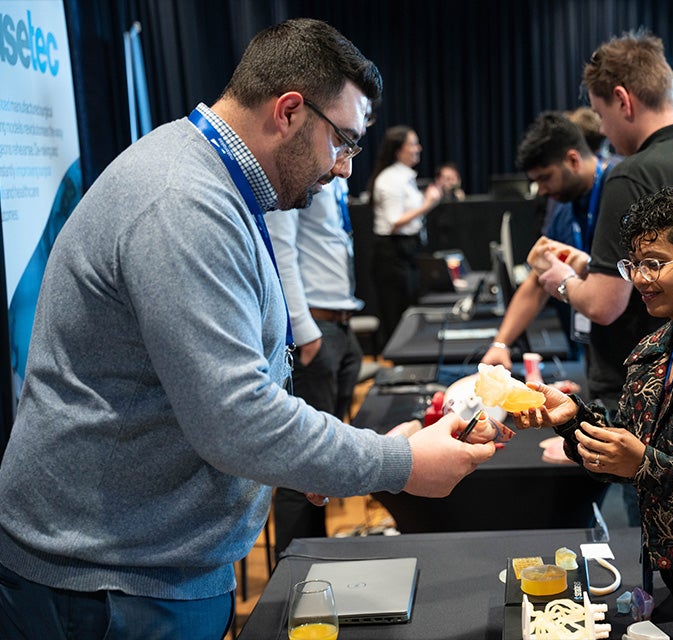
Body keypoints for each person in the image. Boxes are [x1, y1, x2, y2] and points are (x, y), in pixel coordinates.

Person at [0, 19, 495, 638]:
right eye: (342, 141)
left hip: (142, 561)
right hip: (111, 581)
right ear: (289, 111)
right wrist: (398, 462)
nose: (344, 170)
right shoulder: (184, 203)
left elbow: (219, 398)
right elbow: (236, 420)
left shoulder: (212, 182)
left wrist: (320, 460)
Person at [512, 185, 673, 640]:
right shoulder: (653, 351)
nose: (640, 279)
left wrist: (645, 465)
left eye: (654, 263)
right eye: (633, 264)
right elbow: (625, 456)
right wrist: (573, 419)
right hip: (668, 571)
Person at [533, 30, 673, 414]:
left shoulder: (629, 174)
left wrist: (559, 281)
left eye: (601, 115)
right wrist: (589, 264)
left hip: (650, 390)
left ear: (622, 100)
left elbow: (603, 305)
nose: (602, 130)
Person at [266, 175, 366, 552]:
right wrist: (303, 330)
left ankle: (318, 563)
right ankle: (294, 583)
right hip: (315, 327)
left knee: (323, 466)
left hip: (340, 321)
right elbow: (281, 247)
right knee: (302, 467)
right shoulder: (305, 170)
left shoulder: (337, 174)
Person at [481, 111, 614, 369]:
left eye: (545, 178)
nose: (541, 190)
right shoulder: (564, 208)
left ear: (573, 160)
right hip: (594, 352)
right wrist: (501, 344)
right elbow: (537, 281)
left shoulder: (619, 191)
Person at [369, 125, 440, 342]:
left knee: (409, 307)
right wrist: (427, 204)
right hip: (393, 252)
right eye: (412, 144)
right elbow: (394, 222)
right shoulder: (390, 179)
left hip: (407, 250)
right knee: (396, 313)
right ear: (398, 149)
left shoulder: (405, 177)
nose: (418, 148)